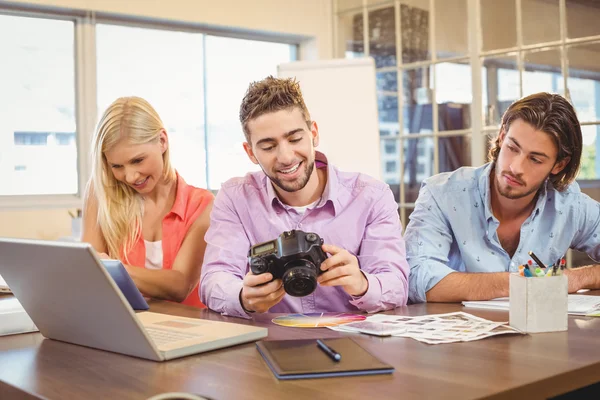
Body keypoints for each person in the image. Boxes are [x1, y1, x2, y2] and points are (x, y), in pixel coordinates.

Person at [200, 76, 408, 317]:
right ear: (250, 152)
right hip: (269, 341)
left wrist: (362, 283)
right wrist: (242, 297)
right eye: (268, 147)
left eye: (295, 139)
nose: (286, 157)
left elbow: (396, 285)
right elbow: (213, 280)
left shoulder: (371, 196)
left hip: (352, 339)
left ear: (314, 133)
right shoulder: (236, 198)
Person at [405, 92, 600, 303]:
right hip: (456, 333)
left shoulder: (570, 205)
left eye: (535, 159)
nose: (515, 168)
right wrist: (531, 283)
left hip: (541, 333)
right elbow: (416, 278)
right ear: (501, 135)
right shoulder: (441, 194)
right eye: (512, 148)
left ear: (559, 165)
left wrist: (576, 278)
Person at [82, 96, 213, 308]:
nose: (131, 176)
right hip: (125, 326)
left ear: (162, 141)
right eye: (117, 166)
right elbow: (90, 273)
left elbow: (180, 285)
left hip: (187, 329)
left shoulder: (202, 204)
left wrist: (112, 268)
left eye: (137, 160)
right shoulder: (101, 194)